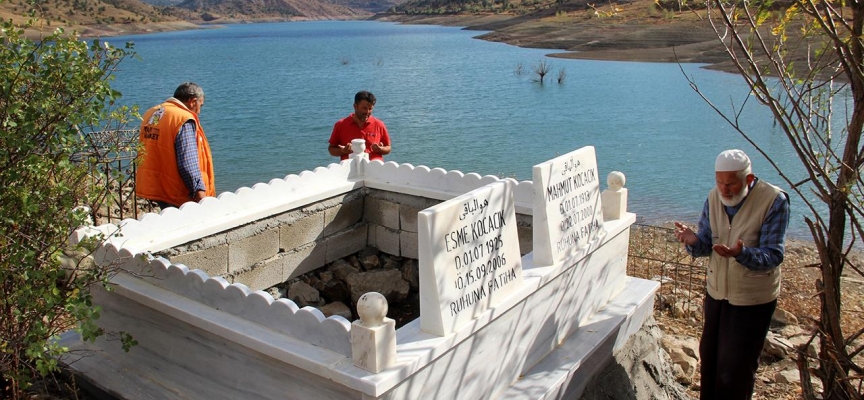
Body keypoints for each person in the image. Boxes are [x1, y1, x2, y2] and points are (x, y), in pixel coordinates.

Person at [673, 149, 790, 400]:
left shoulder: (774, 201)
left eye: (730, 184)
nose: (724, 190)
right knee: (711, 359)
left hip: (752, 299)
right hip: (717, 293)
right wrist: (693, 240)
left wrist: (741, 253)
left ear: (748, 180)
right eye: (720, 182)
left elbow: (773, 256)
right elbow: (707, 243)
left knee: (736, 368)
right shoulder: (713, 198)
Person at [135, 82, 215, 210]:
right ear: (193, 101)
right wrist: (201, 196)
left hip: (155, 186)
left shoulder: (151, 113)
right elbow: (188, 163)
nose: (199, 111)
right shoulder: (183, 119)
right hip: (177, 193)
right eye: (201, 105)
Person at [328, 90, 391, 161]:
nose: (367, 112)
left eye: (370, 109)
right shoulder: (341, 125)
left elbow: (388, 148)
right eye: (364, 108)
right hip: (350, 169)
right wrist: (343, 151)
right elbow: (331, 149)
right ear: (355, 106)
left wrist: (380, 149)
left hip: (375, 169)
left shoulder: (379, 124)